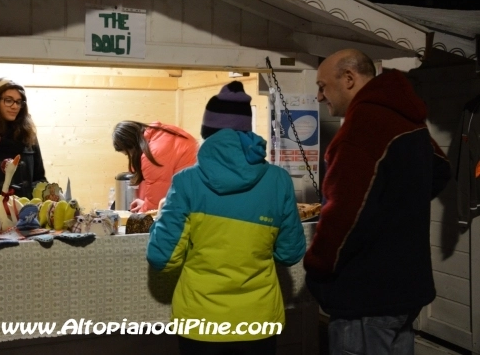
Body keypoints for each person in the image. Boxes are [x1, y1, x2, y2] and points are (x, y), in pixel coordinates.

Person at [304, 49, 451, 355]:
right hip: (407, 289)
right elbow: (441, 169)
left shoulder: (361, 128)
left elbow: (343, 214)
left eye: (322, 86)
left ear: (348, 78)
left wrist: (316, 269)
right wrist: (395, 210)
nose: (319, 96)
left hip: (367, 295)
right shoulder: (404, 117)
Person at [147, 81, 306, 354]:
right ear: (247, 131)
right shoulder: (278, 180)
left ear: (207, 133)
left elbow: (163, 256)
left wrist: (161, 220)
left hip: (201, 321)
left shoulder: (186, 182)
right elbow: (290, 252)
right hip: (258, 321)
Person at [112, 120, 198, 212]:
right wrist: (146, 204)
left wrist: (140, 214)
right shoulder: (163, 132)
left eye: (128, 154)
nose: (131, 158)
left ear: (132, 146)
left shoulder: (152, 154)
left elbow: (155, 205)